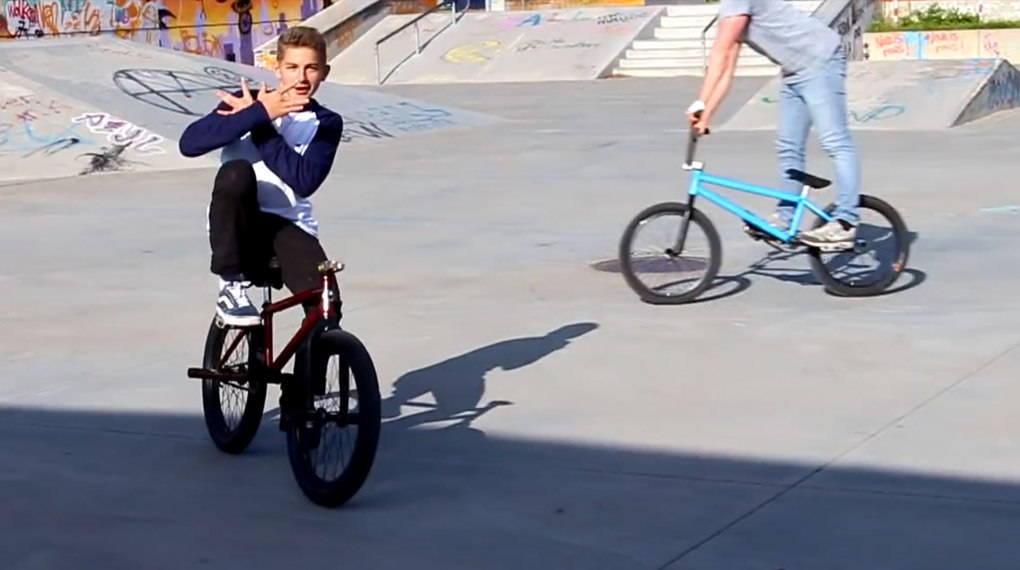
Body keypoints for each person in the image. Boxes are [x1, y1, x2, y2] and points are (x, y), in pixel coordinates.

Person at [178, 26, 344, 327]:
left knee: (326, 309)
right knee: (236, 173)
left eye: (311, 68)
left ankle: (311, 371)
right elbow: (189, 144)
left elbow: (305, 180)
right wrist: (255, 112)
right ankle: (231, 287)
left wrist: (262, 124)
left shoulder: (327, 123)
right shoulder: (247, 103)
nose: (301, 78)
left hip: (289, 225)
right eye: (292, 67)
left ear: (325, 72)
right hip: (238, 222)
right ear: (276, 68)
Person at [686, 0, 860, 250]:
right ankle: (785, 218)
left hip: (821, 61)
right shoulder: (729, 9)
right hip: (794, 72)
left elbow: (719, 53)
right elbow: (726, 71)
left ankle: (846, 221)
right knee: (788, 146)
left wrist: (700, 102)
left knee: (835, 141)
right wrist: (706, 114)